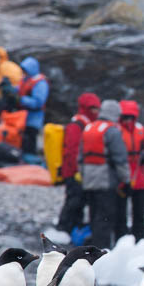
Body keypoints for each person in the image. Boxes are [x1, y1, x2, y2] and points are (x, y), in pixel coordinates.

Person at [79, 100, 130, 249]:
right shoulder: (112, 131)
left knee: (94, 215)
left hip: (89, 181)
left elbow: (80, 157)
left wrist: (84, 177)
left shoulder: (88, 128)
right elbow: (120, 158)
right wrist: (126, 180)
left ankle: (93, 247)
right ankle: (102, 250)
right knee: (105, 217)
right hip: (105, 181)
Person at [56, 92, 100, 233]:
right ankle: (64, 229)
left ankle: (73, 228)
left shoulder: (86, 124)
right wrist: (76, 171)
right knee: (73, 201)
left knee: (79, 202)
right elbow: (72, 151)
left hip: (81, 172)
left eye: (97, 108)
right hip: (74, 172)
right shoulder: (77, 125)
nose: (95, 111)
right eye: (92, 108)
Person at [116, 100, 144, 241]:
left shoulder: (142, 131)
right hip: (121, 180)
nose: (128, 120)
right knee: (120, 214)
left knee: (139, 214)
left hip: (140, 179)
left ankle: (139, 240)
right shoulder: (116, 130)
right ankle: (121, 240)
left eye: (131, 116)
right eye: (125, 116)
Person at [18, 57, 48, 155]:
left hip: (33, 120)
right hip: (22, 119)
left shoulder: (40, 83)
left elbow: (38, 102)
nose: (24, 72)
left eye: (25, 70)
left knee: (30, 145)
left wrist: (21, 100)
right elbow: (18, 90)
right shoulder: (25, 79)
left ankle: (31, 163)